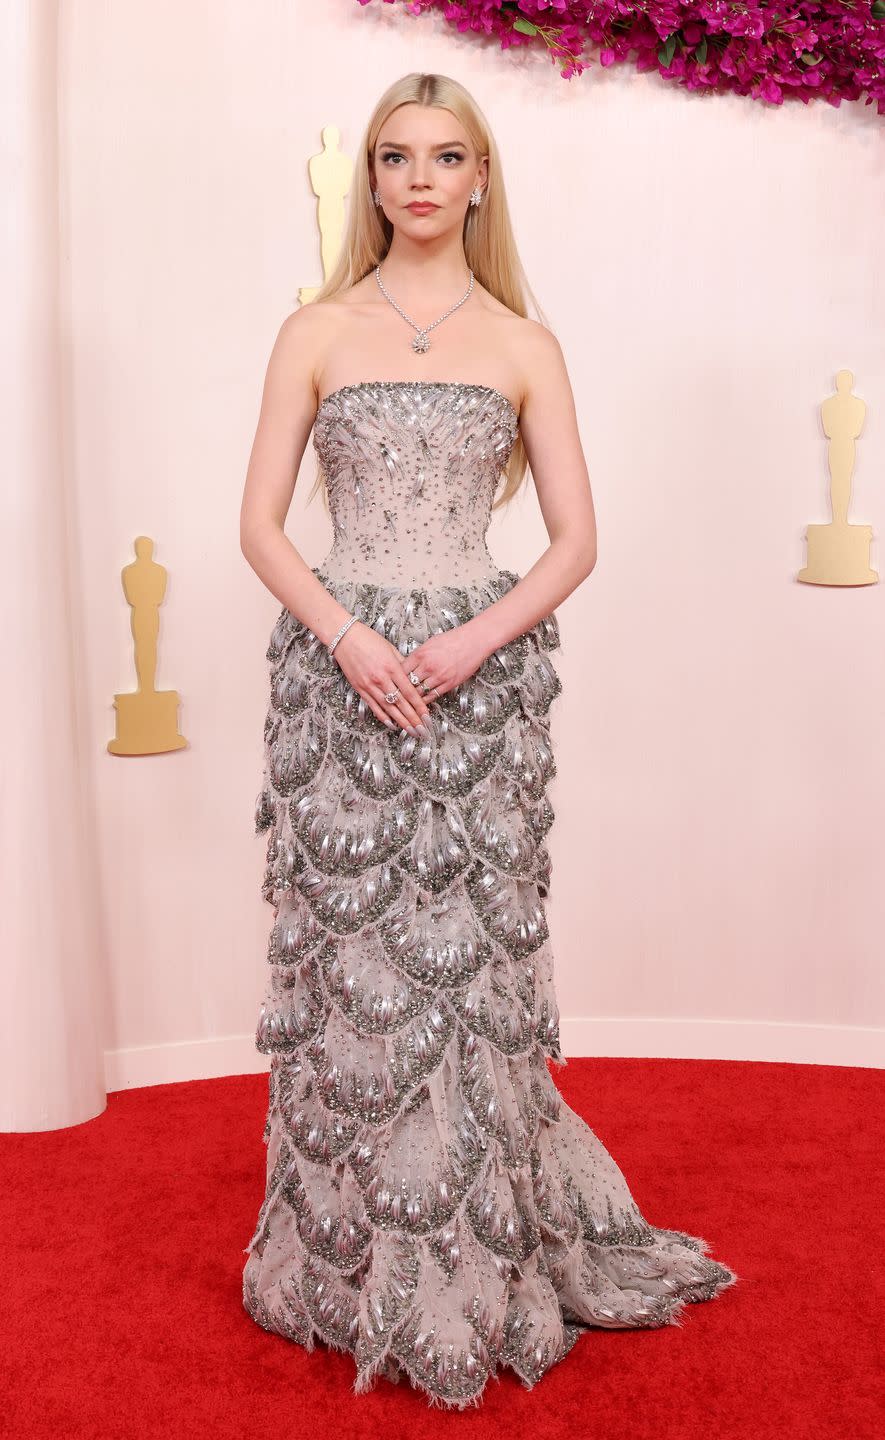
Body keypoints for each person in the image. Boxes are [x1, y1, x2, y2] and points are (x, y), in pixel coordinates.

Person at [238, 71, 738, 1412]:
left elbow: (575, 540)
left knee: (466, 959)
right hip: (335, 682)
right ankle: (344, 1262)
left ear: (478, 179)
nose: (416, 178)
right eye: (395, 156)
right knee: (348, 961)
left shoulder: (524, 343)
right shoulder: (313, 333)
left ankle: (474, 1252)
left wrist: (474, 640)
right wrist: (347, 636)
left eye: (443, 157)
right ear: (374, 181)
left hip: (479, 678)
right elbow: (260, 528)